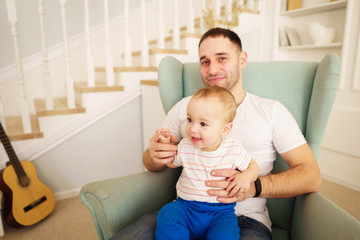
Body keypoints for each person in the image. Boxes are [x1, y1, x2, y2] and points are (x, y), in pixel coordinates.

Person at [110, 27, 321, 240]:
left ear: (242, 59)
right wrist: (155, 155)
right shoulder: (186, 107)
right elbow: (152, 161)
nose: (212, 69)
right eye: (205, 61)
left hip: (245, 219)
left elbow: (311, 176)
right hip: (186, 213)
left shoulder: (271, 111)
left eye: (222, 58)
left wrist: (252, 186)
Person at [155, 86, 259, 239]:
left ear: (225, 130)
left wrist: (245, 178)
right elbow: (171, 163)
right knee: (167, 214)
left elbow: (253, 167)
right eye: (190, 120)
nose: (193, 129)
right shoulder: (185, 145)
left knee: (226, 234)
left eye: (203, 124)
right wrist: (165, 144)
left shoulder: (233, 149)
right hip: (185, 208)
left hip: (219, 213)